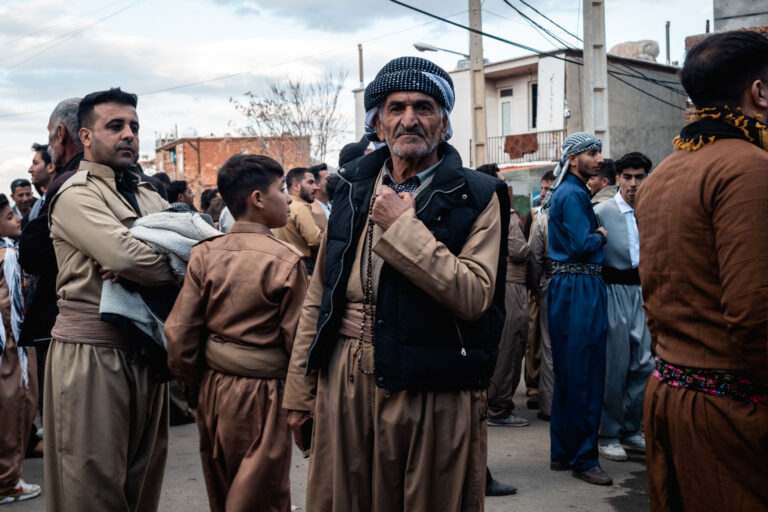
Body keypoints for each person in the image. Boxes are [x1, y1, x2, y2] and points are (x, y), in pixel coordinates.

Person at [283, 56, 509, 511]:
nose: (410, 119)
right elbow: (319, 298)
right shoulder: (349, 190)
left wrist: (404, 228)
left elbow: (474, 296)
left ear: (444, 121)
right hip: (345, 379)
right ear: (378, 122)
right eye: (396, 107)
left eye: (424, 107)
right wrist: (300, 392)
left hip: (433, 386)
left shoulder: (478, 196)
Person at [636, 31, 768, 511]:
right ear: (759, 92)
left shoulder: (664, 173)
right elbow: (756, 315)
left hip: (671, 397)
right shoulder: (749, 168)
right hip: (734, 415)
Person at [44, 87, 175, 511]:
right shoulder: (75, 194)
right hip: (92, 354)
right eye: (115, 126)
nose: (128, 135)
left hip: (147, 352)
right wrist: (166, 261)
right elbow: (124, 256)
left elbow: (203, 255)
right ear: (84, 136)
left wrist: (153, 267)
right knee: (93, 490)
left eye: (134, 127)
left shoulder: (150, 193)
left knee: (143, 486)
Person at [166, 154, 307, 512]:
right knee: (264, 495)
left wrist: (196, 391)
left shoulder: (205, 254)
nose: (289, 198)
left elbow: (180, 335)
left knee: (224, 485)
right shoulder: (286, 260)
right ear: (258, 199)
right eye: (281, 189)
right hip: (266, 395)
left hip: (213, 386)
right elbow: (299, 344)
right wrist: (302, 406)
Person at [544, 132, 611, 486]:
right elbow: (584, 244)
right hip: (580, 287)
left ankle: (563, 452)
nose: (599, 158)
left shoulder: (568, 191)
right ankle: (584, 458)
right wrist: (601, 233)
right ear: (573, 159)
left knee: (571, 373)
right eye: (592, 152)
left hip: (570, 288)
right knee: (585, 372)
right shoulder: (573, 194)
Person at [594, 152, 653, 462]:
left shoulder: (651, 210)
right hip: (613, 290)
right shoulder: (602, 211)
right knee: (614, 365)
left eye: (639, 176)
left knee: (645, 363)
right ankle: (608, 432)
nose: (633, 183)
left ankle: (631, 429)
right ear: (617, 178)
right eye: (627, 177)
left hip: (643, 291)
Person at [478, 164, 530, 429]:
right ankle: (499, 408)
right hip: (511, 285)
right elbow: (519, 251)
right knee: (509, 347)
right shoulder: (504, 214)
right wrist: (535, 245)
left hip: (492, 284)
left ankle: (494, 404)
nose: (506, 187)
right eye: (501, 182)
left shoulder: (479, 211)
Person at [0, 193, 41, 505]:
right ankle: (7, 482)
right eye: (10, 216)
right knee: (16, 405)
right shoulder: (8, 256)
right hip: (11, 344)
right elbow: (10, 305)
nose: (17, 220)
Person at [524, 170, 555, 405]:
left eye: (548, 189)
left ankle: (547, 397)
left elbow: (534, 254)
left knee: (548, 343)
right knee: (539, 339)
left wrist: (535, 285)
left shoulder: (544, 218)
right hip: (543, 284)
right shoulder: (536, 215)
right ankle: (537, 388)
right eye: (542, 188)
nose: (543, 194)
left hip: (546, 284)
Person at [272, 167, 322, 276]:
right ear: (296, 186)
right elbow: (315, 240)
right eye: (310, 182)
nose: (316, 187)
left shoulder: (283, 205)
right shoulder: (300, 207)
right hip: (303, 269)